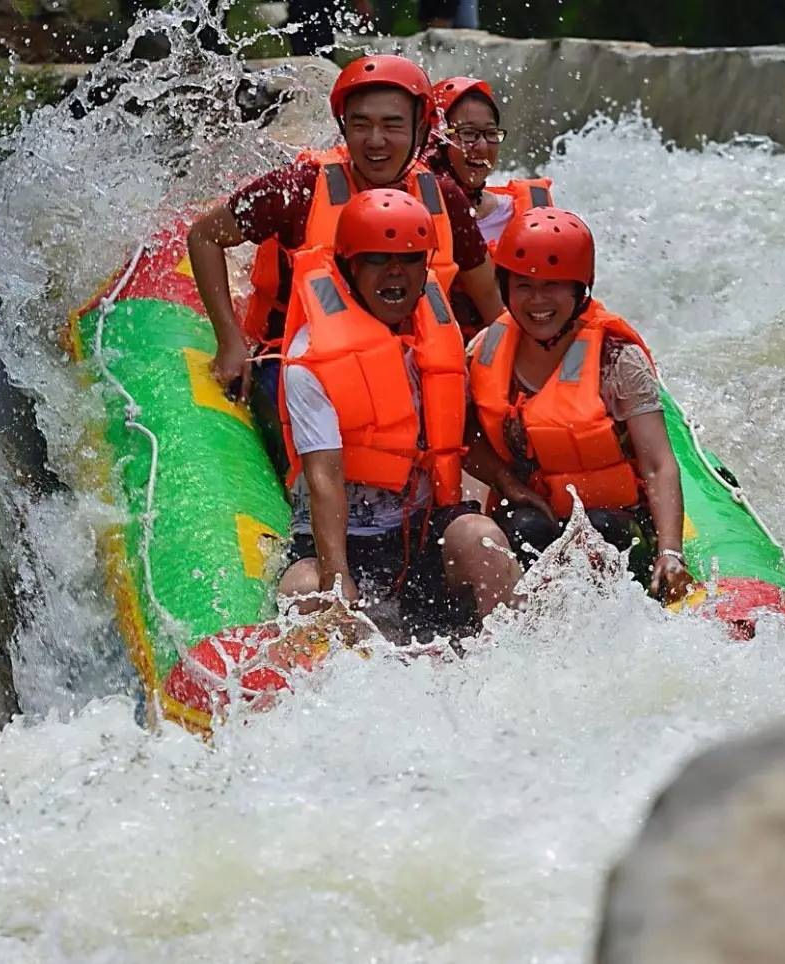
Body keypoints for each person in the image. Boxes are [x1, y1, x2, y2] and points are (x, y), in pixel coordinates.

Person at [186, 54, 504, 469]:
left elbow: (494, 310)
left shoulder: (446, 199)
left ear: (421, 130)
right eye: (361, 124)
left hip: (405, 368)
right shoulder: (297, 189)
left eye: (392, 125)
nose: (376, 140)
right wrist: (230, 342)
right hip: (297, 365)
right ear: (343, 127)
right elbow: (204, 235)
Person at [278, 189, 522, 640]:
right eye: (378, 259)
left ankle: (513, 664)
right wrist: (337, 578)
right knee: (303, 589)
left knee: (481, 538)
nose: (396, 273)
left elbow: (457, 435)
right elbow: (324, 478)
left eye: (409, 260)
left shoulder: (438, 336)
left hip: (420, 529)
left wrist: (510, 484)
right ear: (351, 266)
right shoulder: (310, 358)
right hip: (342, 539)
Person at [464, 206, 695, 603]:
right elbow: (464, 438)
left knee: (600, 530)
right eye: (524, 286)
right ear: (505, 288)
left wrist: (670, 552)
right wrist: (505, 482)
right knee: (524, 529)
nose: (538, 301)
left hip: (617, 519)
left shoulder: (617, 359)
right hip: (533, 513)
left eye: (553, 286)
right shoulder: (484, 349)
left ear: (579, 289)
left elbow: (658, 463)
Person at [427, 76, 556, 338]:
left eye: (490, 134)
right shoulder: (415, 210)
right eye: (468, 134)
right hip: (443, 354)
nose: (482, 147)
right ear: (437, 141)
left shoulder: (523, 211)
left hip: (513, 350)